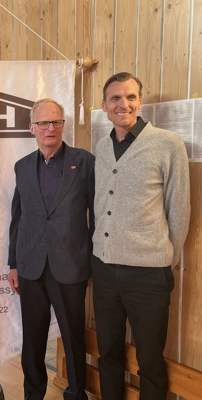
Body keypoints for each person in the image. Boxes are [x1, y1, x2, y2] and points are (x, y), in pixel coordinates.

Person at [91, 72, 191, 399]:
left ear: (140, 102)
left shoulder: (167, 144)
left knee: (150, 360)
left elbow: (179, 209)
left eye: (131, 97)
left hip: (148, 274)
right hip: (104, 268)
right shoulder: (102, 147)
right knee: (108, 352)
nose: (124, 104)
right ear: (104, 105)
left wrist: (164, 258)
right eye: (116, 98)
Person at [8, 98, 95, 400]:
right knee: (32, 339)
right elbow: (18, 217)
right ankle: (33, 394)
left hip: (70, 266)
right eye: (43, 123)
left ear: (63, 125)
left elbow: (97, 215)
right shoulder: (22, 167)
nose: (50, 128)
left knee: (73, 339)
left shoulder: (85, 162)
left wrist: (92, 262)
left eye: (56, 122)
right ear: (32, 127)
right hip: (30, 267)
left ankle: (76, 394)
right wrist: (13, 263)